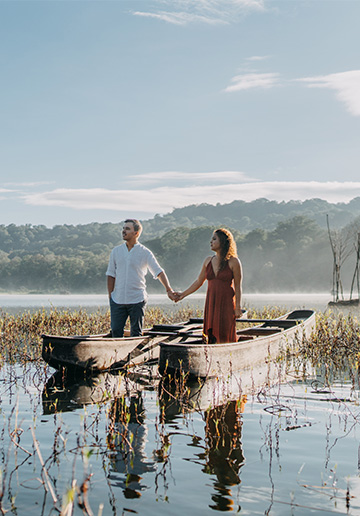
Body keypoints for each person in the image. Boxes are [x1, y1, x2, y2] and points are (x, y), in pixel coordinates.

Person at [106, 219, 176, 337]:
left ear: (136, 233)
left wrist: (169, 290)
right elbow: (111, 274)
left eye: (127, 229)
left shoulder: (145, 252)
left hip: (137, 299)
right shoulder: (116, 251)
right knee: (116, 332)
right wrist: (111, 295)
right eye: (123, 228)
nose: (124, 231)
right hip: (117, 300)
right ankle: (117, 355)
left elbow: (159, 272)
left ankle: (135, 355)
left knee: (136, 333)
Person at [175, 228, 242, 344]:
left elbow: (238, 286)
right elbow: (198, 282)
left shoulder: (234, 262)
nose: (211, 242)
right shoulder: (208, 261)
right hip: (211, 303)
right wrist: (182, 294)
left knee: (225, 334)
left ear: (223, 242)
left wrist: (237, 308)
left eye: (214, 239)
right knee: (210, 334)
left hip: (226, 304)